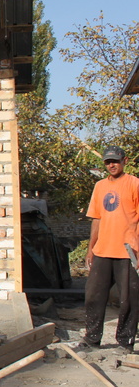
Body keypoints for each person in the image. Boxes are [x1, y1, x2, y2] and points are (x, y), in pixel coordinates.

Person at [82, 145, 139, 352]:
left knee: (129, 299)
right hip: (103, 250)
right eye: (108, 162)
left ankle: (125, 341)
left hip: (128, 251)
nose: (112, 165)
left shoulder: (135, 184)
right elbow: (96, 218)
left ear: (125, 160)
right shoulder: (100, 186)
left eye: (115, 161)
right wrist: (91, 248)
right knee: (93, 296)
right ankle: (92, 339)